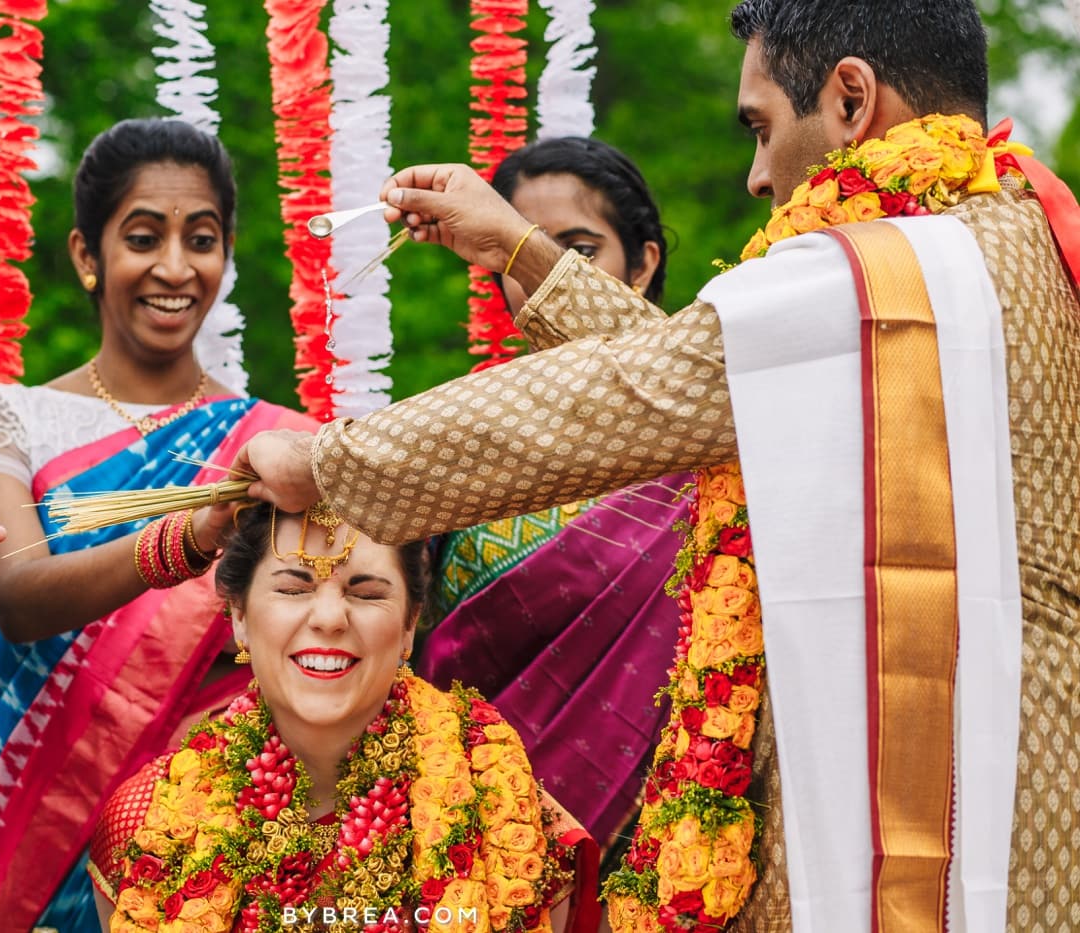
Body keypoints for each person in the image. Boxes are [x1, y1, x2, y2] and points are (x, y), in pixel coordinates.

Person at [235, 1, 1080, 930]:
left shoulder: (883, 270)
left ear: (850, 100)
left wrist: (329, 459)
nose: (759, 176)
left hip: (928, 799)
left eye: (762, 128)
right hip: (1021, 782)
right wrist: (516, 247)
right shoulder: (1019, 237)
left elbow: (643, 392)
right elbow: (722, 379)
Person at [0, 118, 317, 933]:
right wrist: (189, 537)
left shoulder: (278, 442)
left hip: (217, 829)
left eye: (203, 238)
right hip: (29, 823)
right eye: (144, 237)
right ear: (86, 255)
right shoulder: (9, 420)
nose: (176, 268)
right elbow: (12, 593)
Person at [89, 503, 602, 933]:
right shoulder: (146, 823)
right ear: (239, 618)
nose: (330, 618)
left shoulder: (507, 816)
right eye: (294, 588)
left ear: (409, 626)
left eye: (367, 592)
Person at [418, 136, 687, 852]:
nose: (542, 279)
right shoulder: (460, 428)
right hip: (475, 835)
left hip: (679, 832)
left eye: (578, 250)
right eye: (517, 255)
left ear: (645, 262)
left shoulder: (713, 430)